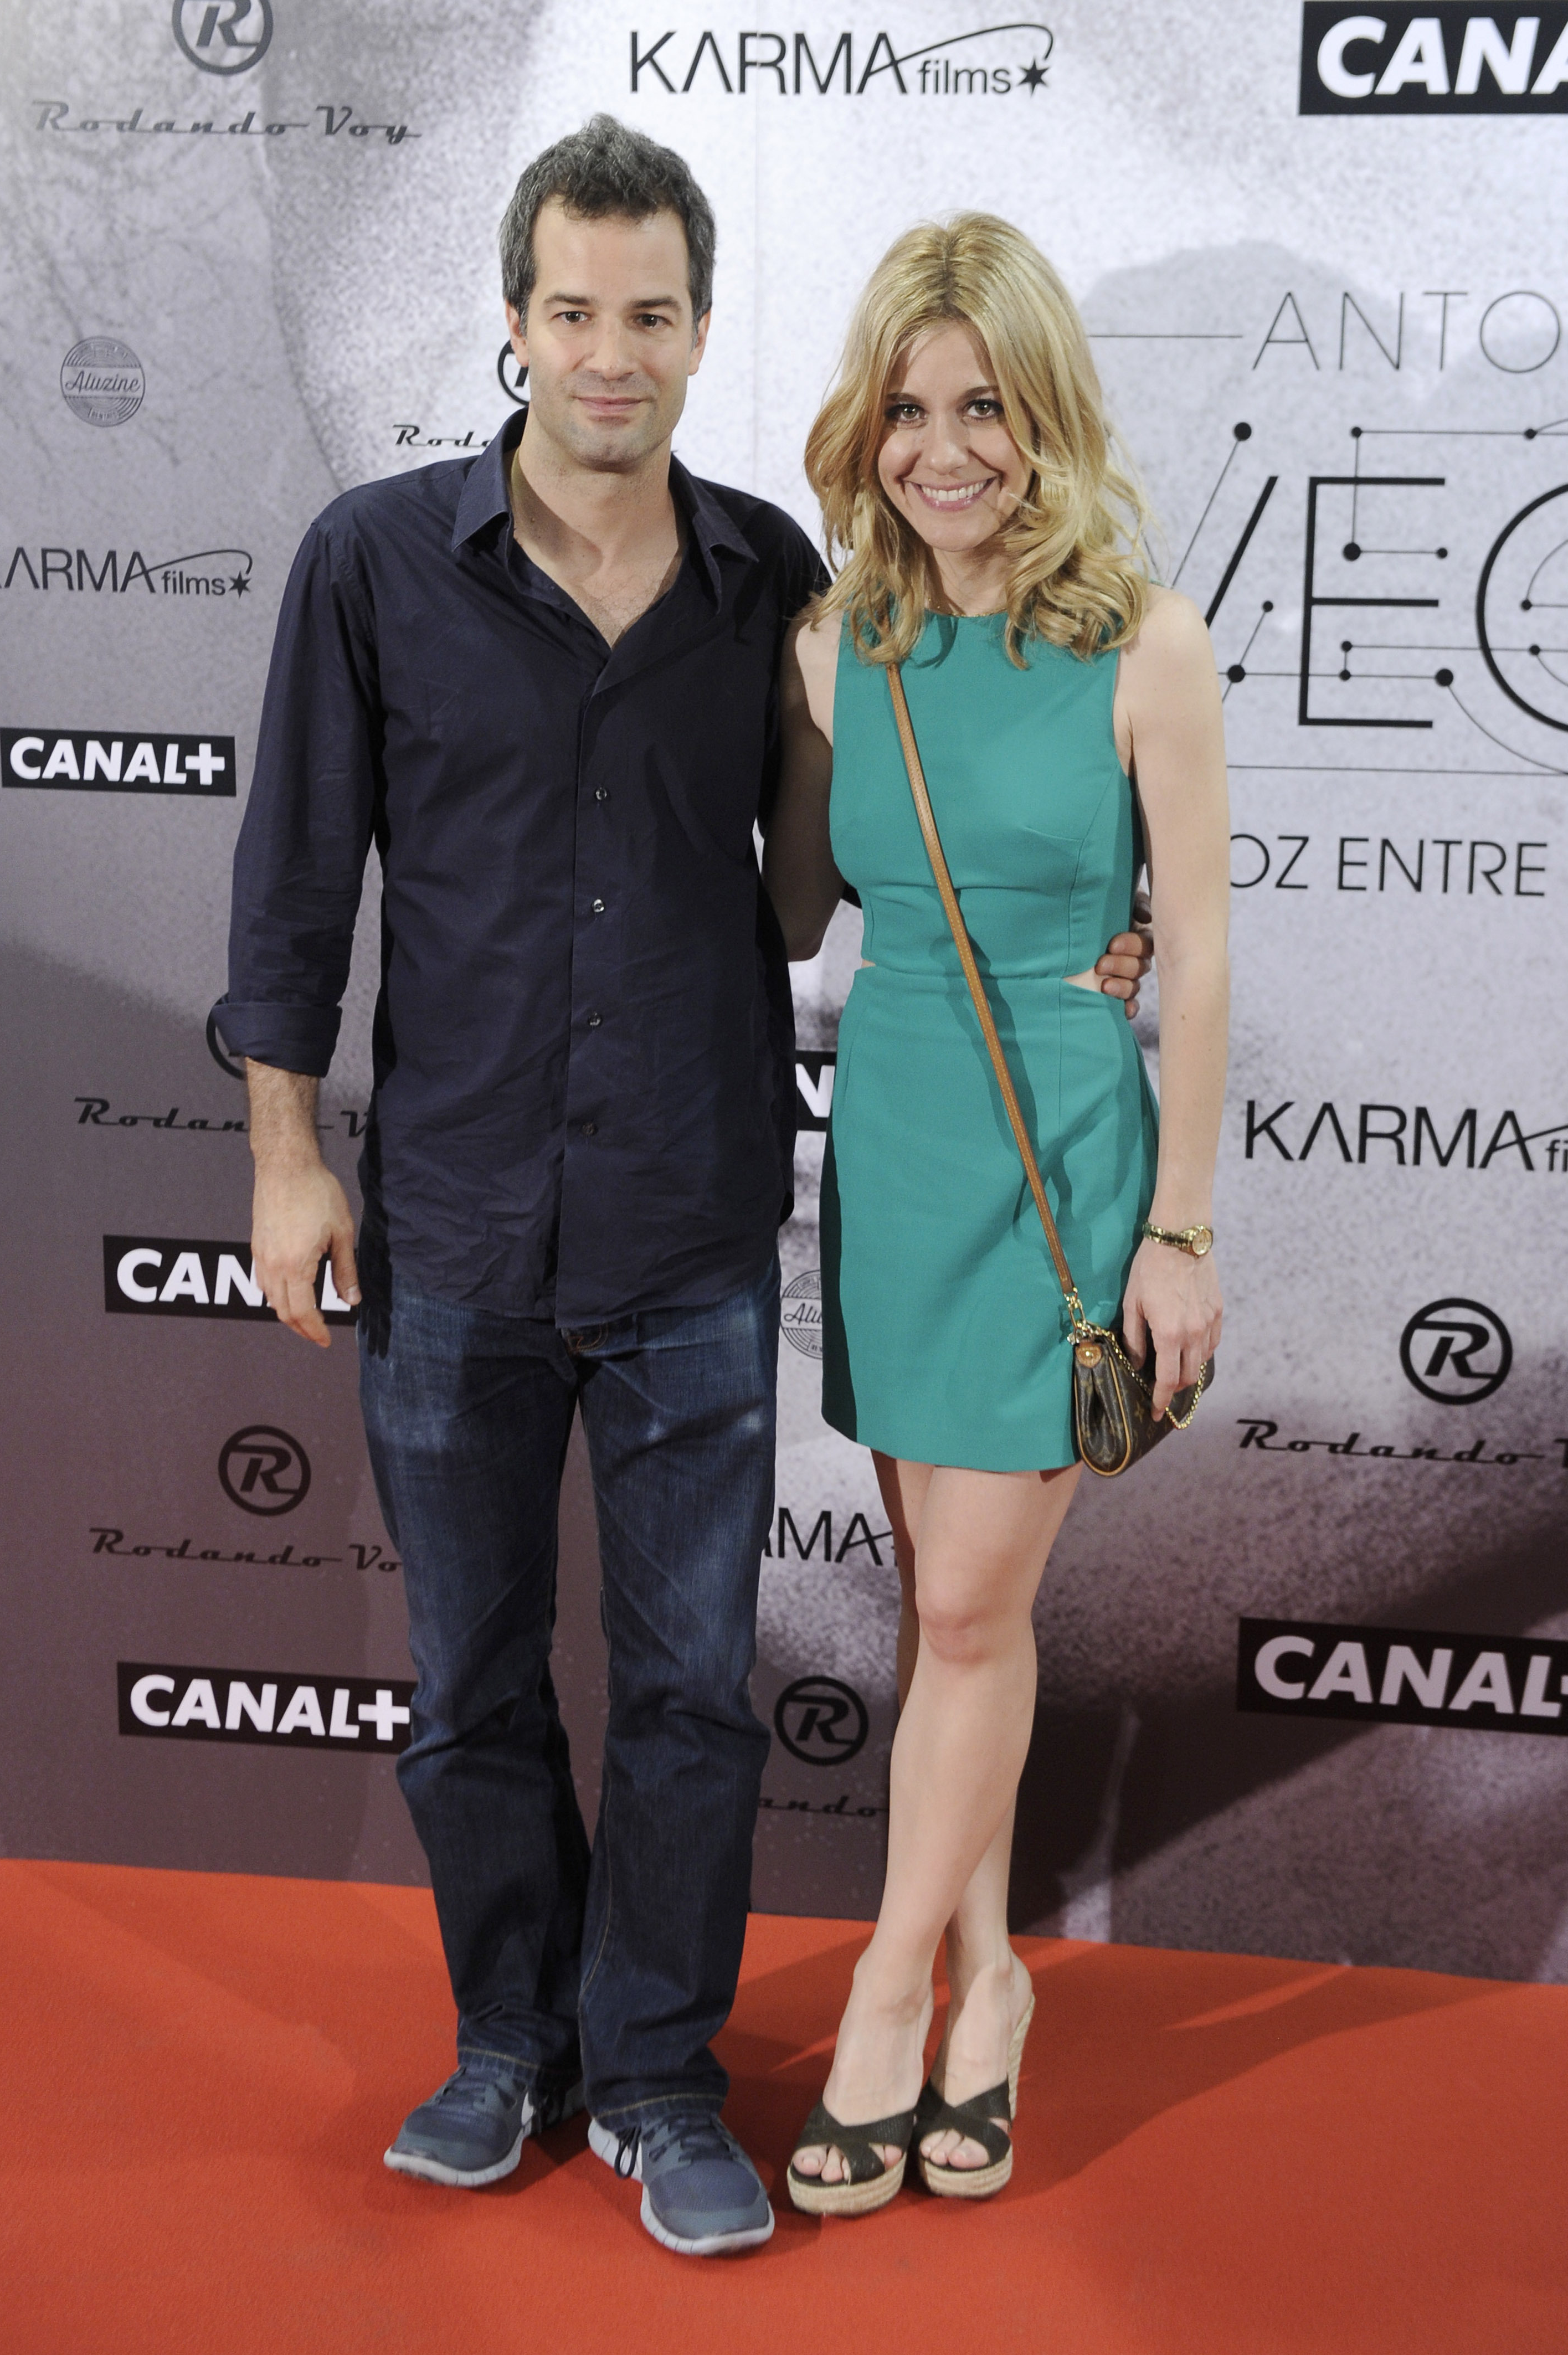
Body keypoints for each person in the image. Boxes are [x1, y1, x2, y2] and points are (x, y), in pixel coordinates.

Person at [215, 122, 1153, 2258]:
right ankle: (505, 2042)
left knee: (690, 1697)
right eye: (574, 312)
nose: (610, 353)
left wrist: (1085, 929)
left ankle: (650, 2071)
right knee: (469, 1684)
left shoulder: (770, 585)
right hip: (451, 1227)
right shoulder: (372, 561)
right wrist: (283, 1158)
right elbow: (293, 884)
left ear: (703, 329)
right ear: (516, 320)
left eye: (650, 315)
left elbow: (863, 853)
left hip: (692, 1230)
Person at [762, 214, 1228, 2214]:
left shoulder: (1146, 642)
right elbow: (792, 906)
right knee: (958, 1609)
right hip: (894, 1137)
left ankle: (889, 1996)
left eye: (984, 409)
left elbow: (1198, 954)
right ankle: (993, 1988)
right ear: (863, 426)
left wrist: (1178, 1230)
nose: (942, 451)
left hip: (1064, 1150)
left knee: (960, 1606)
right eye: (907, 409)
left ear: (1045, 419)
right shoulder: (826, 647)